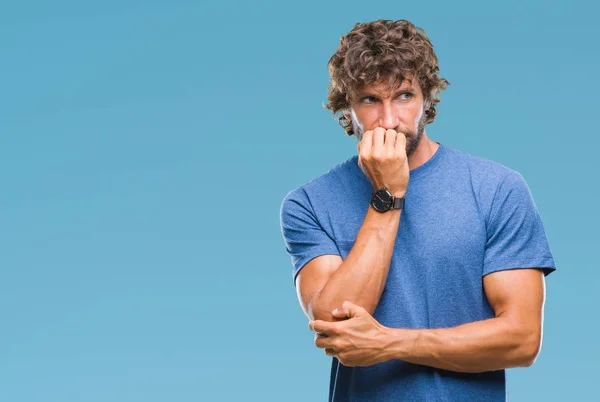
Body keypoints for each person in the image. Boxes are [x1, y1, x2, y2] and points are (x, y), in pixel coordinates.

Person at [279, 19, 556, 401]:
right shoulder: (309, 204)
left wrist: (392, 344)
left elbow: (522, 340)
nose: (389, 120)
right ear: (348, 108)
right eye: (370, 99)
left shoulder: (497, 188)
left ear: (428, 97)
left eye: (404, 96)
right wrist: (388, 193)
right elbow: (334, 325)